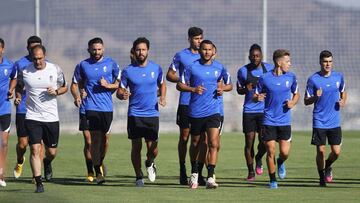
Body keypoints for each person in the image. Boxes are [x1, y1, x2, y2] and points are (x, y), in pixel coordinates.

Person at [177, 40, 230, 189]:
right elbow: (179, 84)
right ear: (200, 50)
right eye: (204, 49)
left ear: (213, 51)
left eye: (209, 49)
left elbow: (230, 84)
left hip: (214, 111)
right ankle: (194, 172)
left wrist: (223, 88)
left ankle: (211, 176)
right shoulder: (191, 67)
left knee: (213, 143)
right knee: (195, 143)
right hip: (195, 111)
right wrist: (193, 89)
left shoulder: (220, 68)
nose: (207, 52)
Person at [15, 45, 68, 193]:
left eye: (40, 58)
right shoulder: (25, 71)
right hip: (32, 116)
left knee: (51, 152)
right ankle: (38, 182)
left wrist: (56, 91)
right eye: (35, 59)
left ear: (44, 56)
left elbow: (65, 87)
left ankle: (47, 162)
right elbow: (18, 87)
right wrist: (18, 97)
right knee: (34, 149)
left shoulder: (54, 69)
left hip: (51, 117)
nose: (38, 61)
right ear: (31, 57)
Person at [117, 37, 166, 187]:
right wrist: (122, 95)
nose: (141, 52)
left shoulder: (156, 68)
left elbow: (162, 84)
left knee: (153, 148)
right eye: (138, 49)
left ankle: (150, 162)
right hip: (135, 114)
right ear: (134, 51)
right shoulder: (128, 71)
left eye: (143, 49)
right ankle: (138, 176)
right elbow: (120, 91)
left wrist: (163, 97)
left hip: (152, 114)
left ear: (148, 51)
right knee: (136, 146)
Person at [74, 37, 120, 185]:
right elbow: (76, 84)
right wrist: (79, 94)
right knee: (92, 140)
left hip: (106, 108)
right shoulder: (82, 65)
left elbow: (119, 85)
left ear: (103, 49)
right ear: (89, 49)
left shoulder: (112, 64)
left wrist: (108, 85)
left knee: (105, 141)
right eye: (94, 49)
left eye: (99, 49)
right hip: (89, 107)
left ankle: (99, 162)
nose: (96, 52)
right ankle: (95, 170)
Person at [254, 49, 299, 189]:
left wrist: (293, 102)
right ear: (279, 63)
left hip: (285, 121)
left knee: (284, 153)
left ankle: (280, 162)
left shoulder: (291, 77)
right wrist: (258, 97)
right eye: (287, 61)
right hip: (268, 120)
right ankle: (273, 180)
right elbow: (255, 95)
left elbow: (296, 94)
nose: (289, 64)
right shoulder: (264, 78)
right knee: (270, 150)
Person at [166, 27, 204, 185]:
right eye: (196, 39)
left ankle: (197, 172)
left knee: (201, 140)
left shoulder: (207, 56)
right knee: (184, 137)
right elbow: (170, 74)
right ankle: (182, 169)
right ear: (189, 39)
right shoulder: (181, 56)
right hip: (186, 102)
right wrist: (183, 80)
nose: (199, 41)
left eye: (201, 38)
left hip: (202, 104)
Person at [304, 50, 346, 187]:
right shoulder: (313, 79)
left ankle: (328, 165)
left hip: (334, 120)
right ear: (320, 62)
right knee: (320, 150)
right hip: (319, 120)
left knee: (336, 152)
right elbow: (306, 101)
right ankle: (321, 177)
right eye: (325, 61)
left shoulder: (339, 77)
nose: (328, 64)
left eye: (330, 61)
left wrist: (343, 101)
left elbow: (343, 93)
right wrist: (315, 97)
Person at [237, 44, 273, 181]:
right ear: (249, 56)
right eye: (252, 56)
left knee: (264, 142)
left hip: (265, 111)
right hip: (249, 111)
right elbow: (239, 90)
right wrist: (246, 89)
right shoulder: (243, 71)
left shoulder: (269, 69)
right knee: (249, 142)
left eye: (257, 56)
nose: (255, 58)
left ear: (262, 56)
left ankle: (258, 157)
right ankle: (251, 171)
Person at [13, 36, 43, 180]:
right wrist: (17, 96)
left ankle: (36, 174)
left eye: (37, 47)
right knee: (23, 144)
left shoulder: (46, 64)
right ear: (27, 48)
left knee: (37, 144)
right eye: (31, 48)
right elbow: (17, 84)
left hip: (40, 110)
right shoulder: (20, 64)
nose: (34, 51)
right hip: (23, 109)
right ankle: (20, 160)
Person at [0, 38, 17, 187]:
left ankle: (1, 173)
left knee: (3, 143)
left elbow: (14, 79)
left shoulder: (9, 65)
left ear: (2, 49)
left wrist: (11, 89)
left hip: (4, 108)